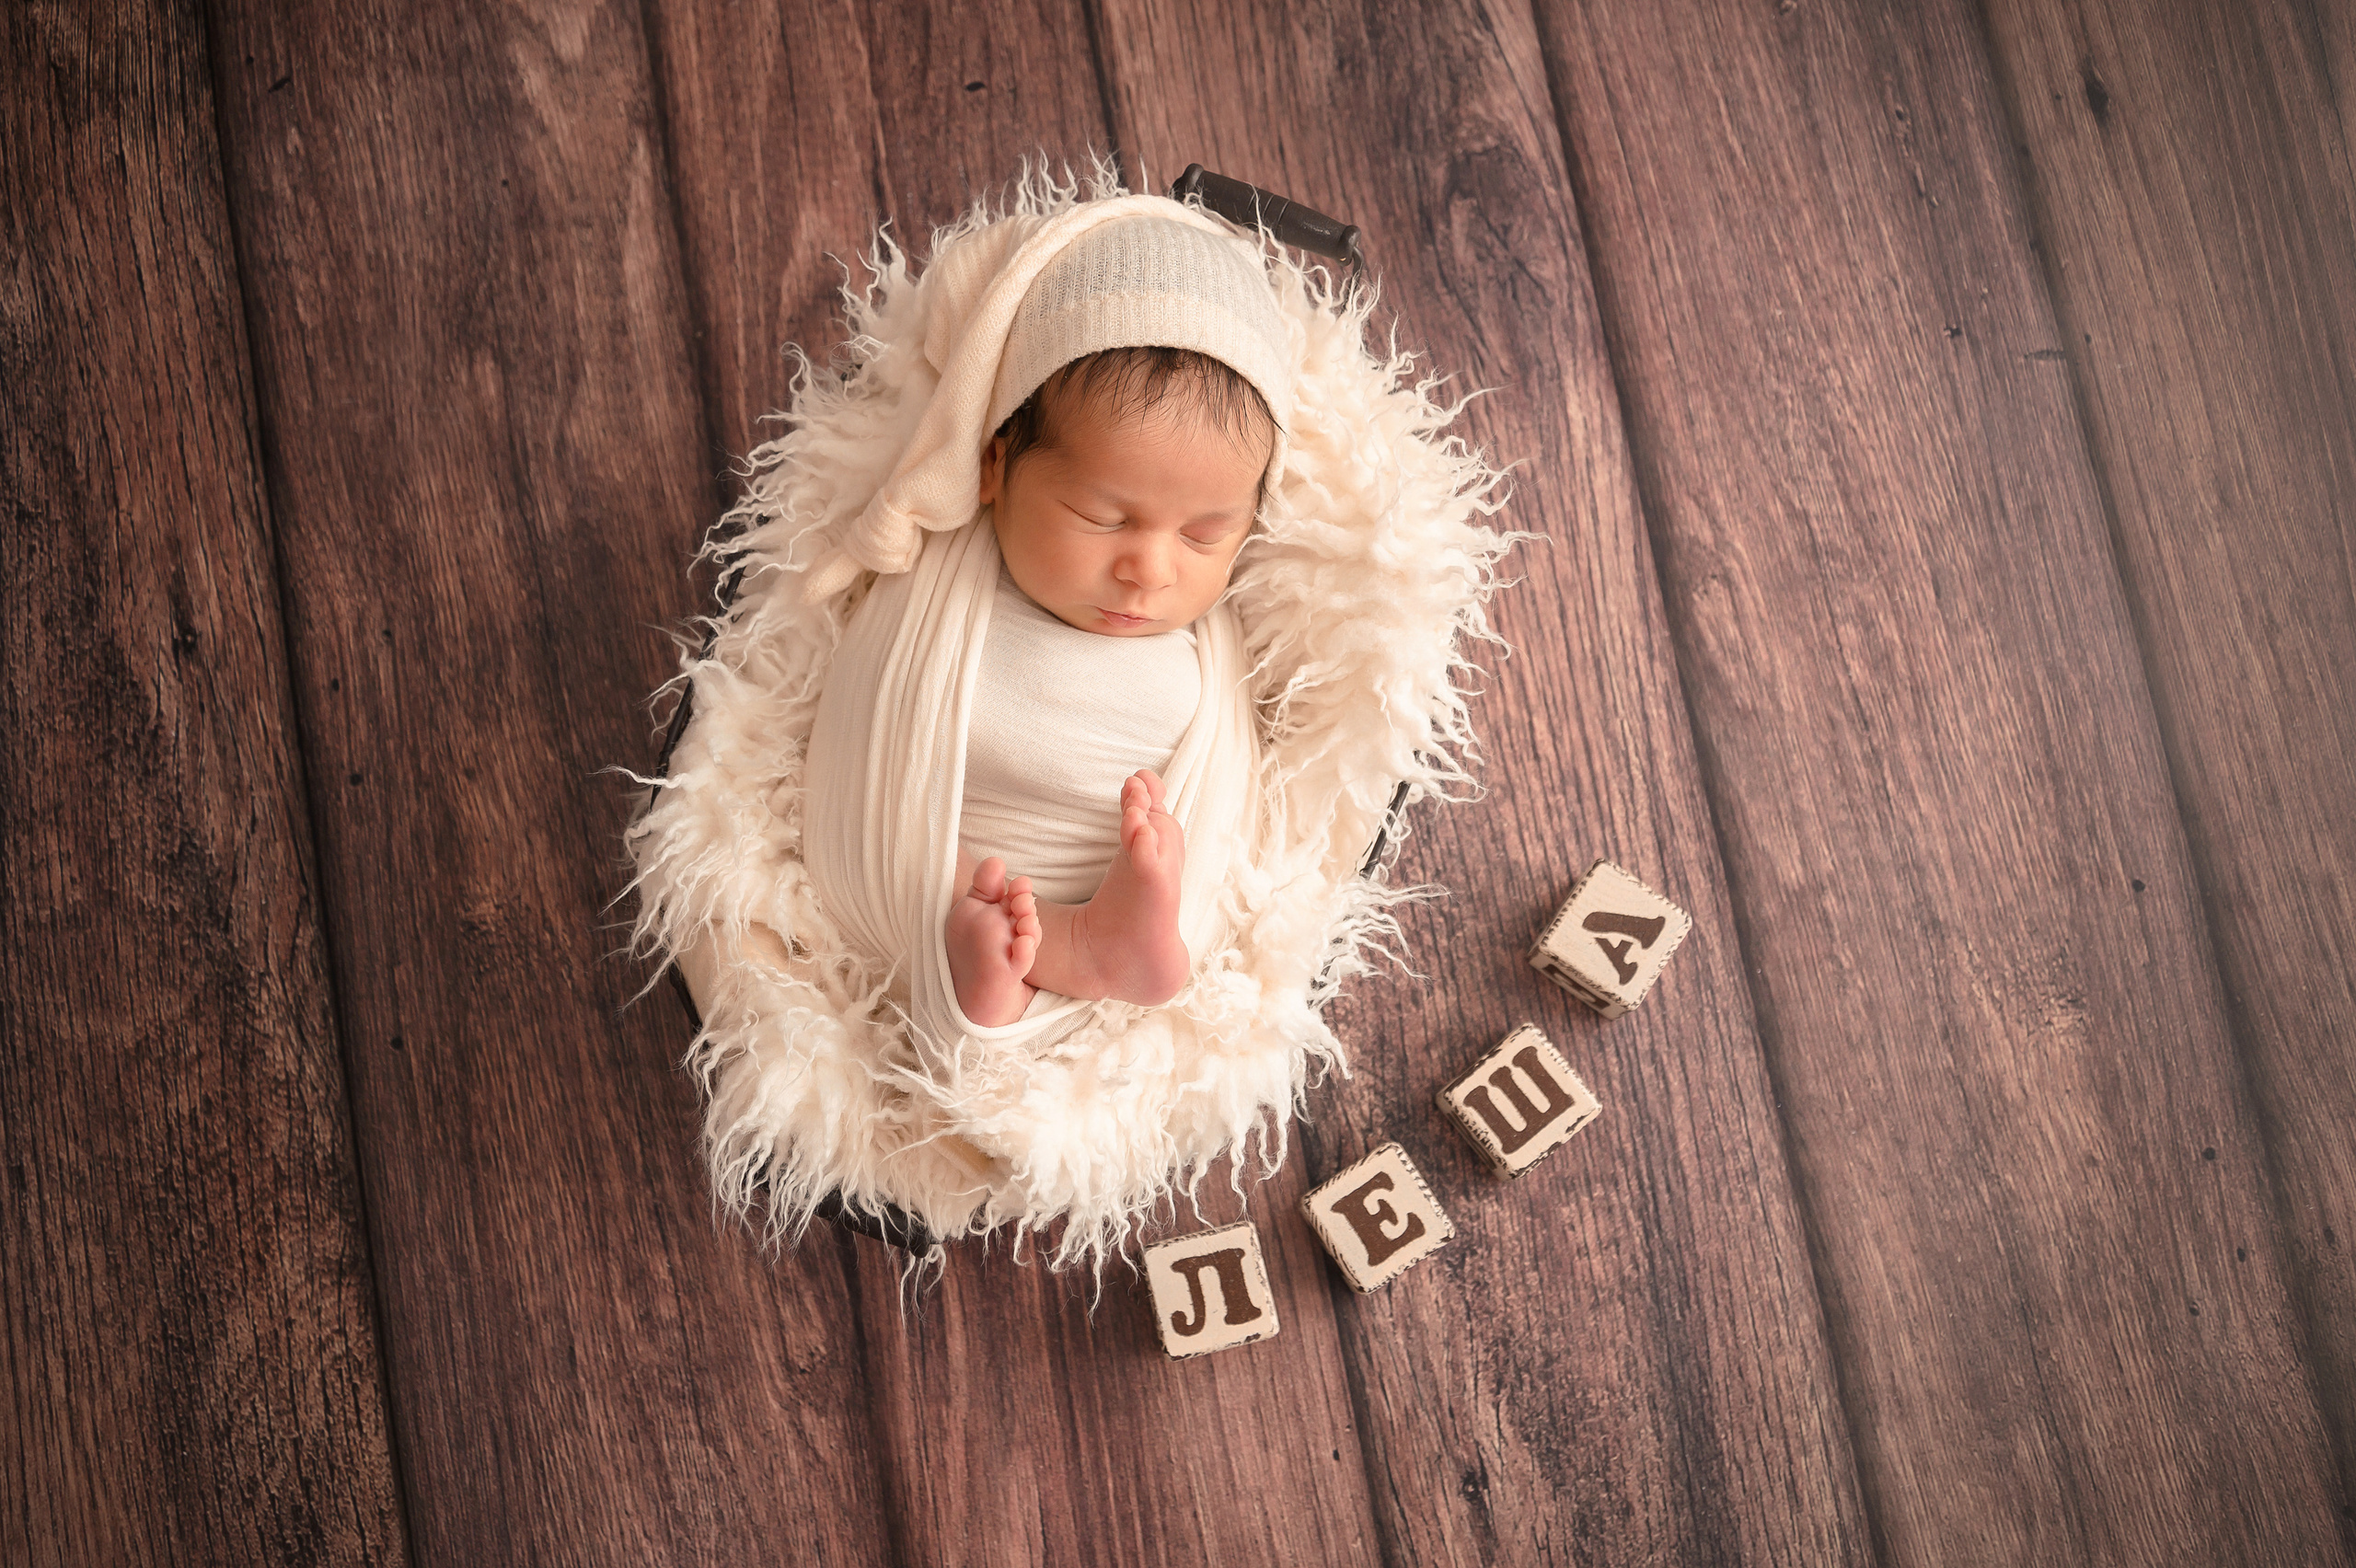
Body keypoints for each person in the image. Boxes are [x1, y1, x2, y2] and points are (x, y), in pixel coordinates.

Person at [944, 341, 1276, 1025]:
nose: (1149, 571)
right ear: (994, 465)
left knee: (1167, 839)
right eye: (1105, 518)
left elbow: (1251, 781)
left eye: (1203, 537)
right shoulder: (942, 584)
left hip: (1117, 847)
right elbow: (872, 721)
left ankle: (1092, 944)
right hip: (955, 839)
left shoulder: (1213, 643)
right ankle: (1007, 966)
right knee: (928, 858)